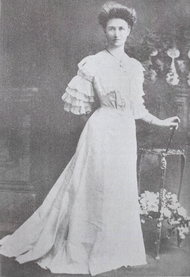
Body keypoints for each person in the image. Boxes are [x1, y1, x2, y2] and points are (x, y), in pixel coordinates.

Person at [0, 1, 180, 276]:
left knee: (120, 187)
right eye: (111, 29)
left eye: (121, 28)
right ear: (104, 32)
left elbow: (137, 109)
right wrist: (99, 123)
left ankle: (116, 249)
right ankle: (84, 247)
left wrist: (162, 121)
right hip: (101, 130)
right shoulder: (93, 63)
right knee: (95, 187)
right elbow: (80, 107)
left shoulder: (134, 67)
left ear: (129, 31)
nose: (116, 33)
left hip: (125, 134)